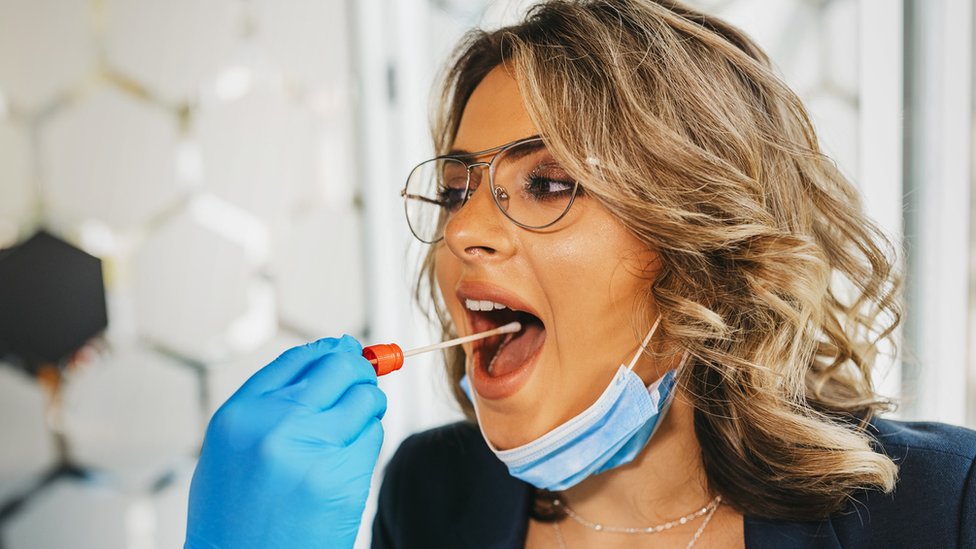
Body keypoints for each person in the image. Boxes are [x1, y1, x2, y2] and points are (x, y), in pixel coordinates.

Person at [184, 1, 976, 548]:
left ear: (701, 253)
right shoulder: (428, 496)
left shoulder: (946, 508)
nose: (462, 230)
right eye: (457, 190)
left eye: (549, 183)